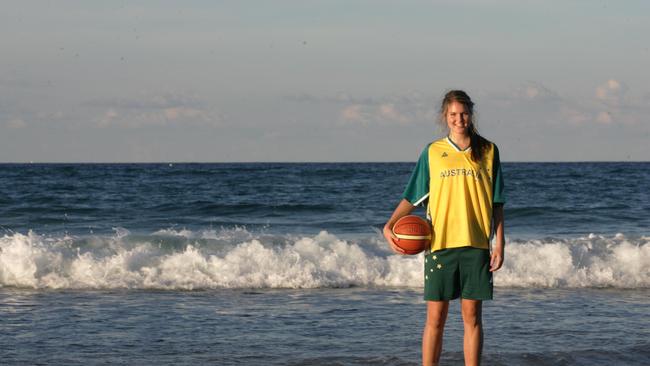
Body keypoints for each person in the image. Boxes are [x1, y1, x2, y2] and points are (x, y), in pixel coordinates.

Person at [383, 90, 505, 366]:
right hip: (440, 245)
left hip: (476, 245)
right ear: (445, 117)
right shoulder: (433, 152)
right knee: (435, 318)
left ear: (470, 114)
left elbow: (497, 202)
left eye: (463, 113)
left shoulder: (488, 150)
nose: (459, 119)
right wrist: (389, 224)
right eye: (453, 114)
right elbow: (413, 195)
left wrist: (500, 243)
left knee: (472, 318)